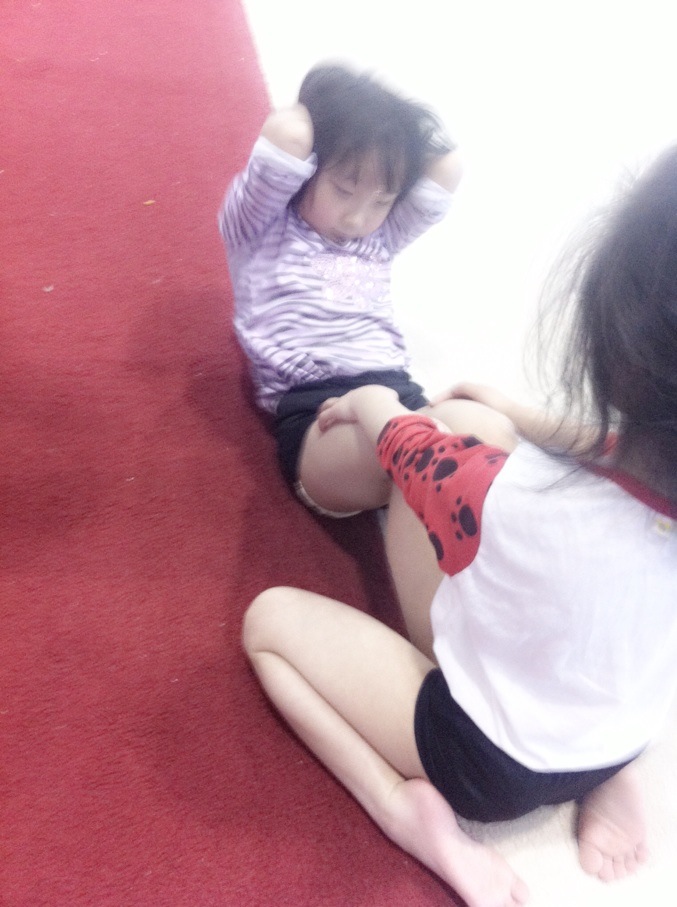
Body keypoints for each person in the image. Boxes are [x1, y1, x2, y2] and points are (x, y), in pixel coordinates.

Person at [242, 145, 677, 906]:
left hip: (483, 763)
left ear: (620, 351)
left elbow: (410, 448)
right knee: (477, 423)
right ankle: (610, 774)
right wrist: (514, 413)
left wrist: (372, 403)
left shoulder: (512, 500)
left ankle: (404, 812)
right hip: (614, 731)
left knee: (269, 622)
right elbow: (618, 449)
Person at [219, 63, 462, 516]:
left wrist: (394, 136)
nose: (357, 218)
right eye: (343, 190)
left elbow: (446, 166)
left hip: (399, 393)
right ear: (309, 168)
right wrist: (321, 105)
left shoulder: (381, 238)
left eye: (381, 201)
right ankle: (422, 460)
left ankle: (428, 464)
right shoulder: (259, 228)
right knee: (420, 460)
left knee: (482, 424)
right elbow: (288, 135)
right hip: (317, 407)